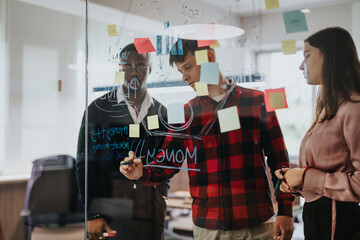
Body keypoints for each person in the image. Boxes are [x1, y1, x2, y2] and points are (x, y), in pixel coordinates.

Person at [121, 39, 294, 240]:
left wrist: (285, 209)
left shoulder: (256, 101)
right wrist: (141, 173)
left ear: (210, 57)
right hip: (208, 230)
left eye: (188, 67)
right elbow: (167, 162)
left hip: (256, 225)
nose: (184, 76)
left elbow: (279, 160)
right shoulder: (186, 113)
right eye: (180, 71)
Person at [76, 43, 169, 240]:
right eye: (127, 67)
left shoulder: (161, 113)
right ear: (120, 69)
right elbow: (84, 166)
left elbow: (166, 162)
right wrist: (92, 214)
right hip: (107, 211)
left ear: (150, 69)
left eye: (140, 66)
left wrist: (161, 200)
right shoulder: (98, 110)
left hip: (149, 212)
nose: (133, 72)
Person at [275, 27, 360, 240]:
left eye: (307, 55)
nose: (301, 65)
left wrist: (305, 177)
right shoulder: (328, 108)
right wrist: (296, 181)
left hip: (337, 221)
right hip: (317, 216)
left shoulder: (354, 109)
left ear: (330, 56)